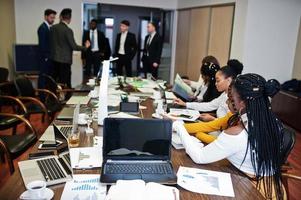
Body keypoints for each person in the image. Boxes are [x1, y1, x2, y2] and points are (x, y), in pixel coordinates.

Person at [173, 73, 285, 199]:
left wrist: (179, 127)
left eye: (232, 99)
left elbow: (199, 157)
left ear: (242, 103)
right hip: (275, 189)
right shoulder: (274, 124)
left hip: (253, 192)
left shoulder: (238, 132)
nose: (228, 103)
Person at [174, 59, 244, 122]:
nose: (215, 84)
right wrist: (185, 104)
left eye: (218, 81)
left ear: (228, 80)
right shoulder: (224, 95)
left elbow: (230, 123)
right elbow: (209, 105)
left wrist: (213, 119)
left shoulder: (233, 98)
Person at [50, 8, 90, 89]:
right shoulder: (68, 30)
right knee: (65, 82)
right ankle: (66, 99)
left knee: (55, 81)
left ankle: (55, 98)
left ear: (61, 17)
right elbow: (74, 46)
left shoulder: (53, 28)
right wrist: (85, 47)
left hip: (54, 59)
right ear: (69, 19)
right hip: (65, 61)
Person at [37, 9, 56, 90]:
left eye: (54, 18)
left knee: (48, 79)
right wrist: (46, 57)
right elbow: (42, 45)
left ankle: (48, 98)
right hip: (44, 58)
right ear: (45, 17)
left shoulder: (48, 28)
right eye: (51, 17)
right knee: (43, 79)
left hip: (49, 57)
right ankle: (42, 99)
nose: (53, 19)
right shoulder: (42, 28)